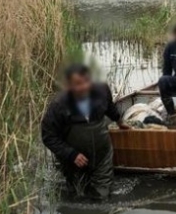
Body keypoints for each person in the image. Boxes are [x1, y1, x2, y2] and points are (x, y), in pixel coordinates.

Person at [41, 63, 127, 200]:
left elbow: (110, 107)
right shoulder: (58, 105)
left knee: (102, 196)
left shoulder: (102, 90)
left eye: (87, 81)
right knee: (77, 196)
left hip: (101, 155)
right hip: (73, 161)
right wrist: (71, 154)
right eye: (78, 84)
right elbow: (48, 136)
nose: (85, 87)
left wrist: (120, 121)